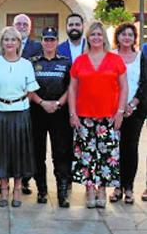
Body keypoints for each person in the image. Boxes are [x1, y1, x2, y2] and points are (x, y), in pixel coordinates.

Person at [68, 21, 128, 209]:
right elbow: (72, 89)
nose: (96, 38)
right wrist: (72, 113)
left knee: (105, 155)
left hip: (108, 116)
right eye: (93, 35)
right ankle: (90, 190)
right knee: (87, 156)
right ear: (88, 38)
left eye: (99, 35)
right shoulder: (80, 60)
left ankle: (102, 190)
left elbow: (124, 86)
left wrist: (120, 111)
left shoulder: (115, 60)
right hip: (84, 116)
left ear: (104, 38)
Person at [0, 26, 39, 208]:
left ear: (18, 43)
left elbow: (31, 91)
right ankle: (4, 188)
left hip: (21, 113)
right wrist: (3, 103)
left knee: (18, 152)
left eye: (13, 40)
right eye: (6, 39)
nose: (9, 43)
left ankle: (17, 188)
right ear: (2, 43)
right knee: (2, 152)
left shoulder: (26, 64)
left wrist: (18, 103)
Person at [29, 27, 73, 208]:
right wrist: (42, 103)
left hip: (60, 113)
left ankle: (62, 193)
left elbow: (71, 87)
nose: (49, 43)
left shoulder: (66, 62)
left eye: (52, 40)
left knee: (61, 153)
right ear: (41, 42)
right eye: (46, 40)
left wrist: (59, 104)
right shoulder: (32, 62)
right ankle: (42, 190)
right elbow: (28, 87)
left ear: (57, 42)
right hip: (37, 112)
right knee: (38, 153)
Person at [109, 23, 145, 204]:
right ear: (118, 37)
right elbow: (107, 83)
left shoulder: (141, 57)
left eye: (130, 35)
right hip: (114, 111)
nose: (126, 38)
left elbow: (144, 83)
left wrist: (132, 104)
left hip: (135, 111)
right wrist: (118, 108)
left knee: (130, 148)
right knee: (115, 149)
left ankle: (129, 187)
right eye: (123, 34)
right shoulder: (111, 56)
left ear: (134, 38)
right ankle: (117, 187)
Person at [13, 13, 42, 195]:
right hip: (10, 103)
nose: (22, 26)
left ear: (29, 28)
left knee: (28, 145)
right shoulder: (5, 45)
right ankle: (6, 179)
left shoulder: (37, 47)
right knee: (10, 143)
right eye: (19, 24)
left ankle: (25, 180)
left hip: (31, 105)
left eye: (25, 24)